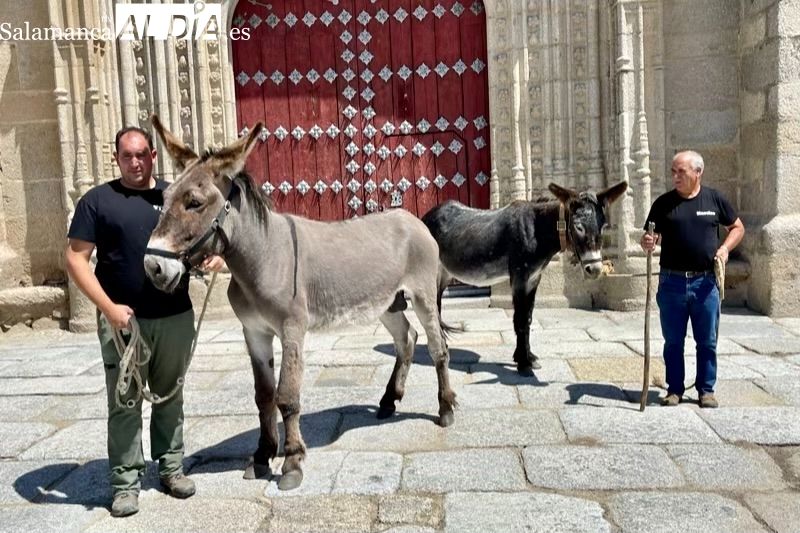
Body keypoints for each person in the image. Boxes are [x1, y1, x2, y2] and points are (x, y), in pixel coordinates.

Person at [65, 126, 224, 517]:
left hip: (174, 317)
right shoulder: (97, 201)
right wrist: (108, 308)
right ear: (116, 158)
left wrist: (214, 257)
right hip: (124, 324)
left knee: (170, 398)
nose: (134, 162)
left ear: (153, 155)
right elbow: (75, 259)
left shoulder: (174, 195)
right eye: (126, 156)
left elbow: (199, 237)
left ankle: (171, 468)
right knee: (125, 403)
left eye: (141, 155)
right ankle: (125, 484)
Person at [640, 150, 744, 409]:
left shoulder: (714, 199)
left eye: (681, 172)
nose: (675, 177)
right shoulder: (663, 203)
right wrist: (647, 241)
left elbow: (737, 227)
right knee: (673, 341)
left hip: (705, 283)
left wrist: (725, 249)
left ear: (698, 172)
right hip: (671, 282)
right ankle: (674, 389)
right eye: (673, 172)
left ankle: (706, 390)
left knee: (707, 340)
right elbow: (649, 237)